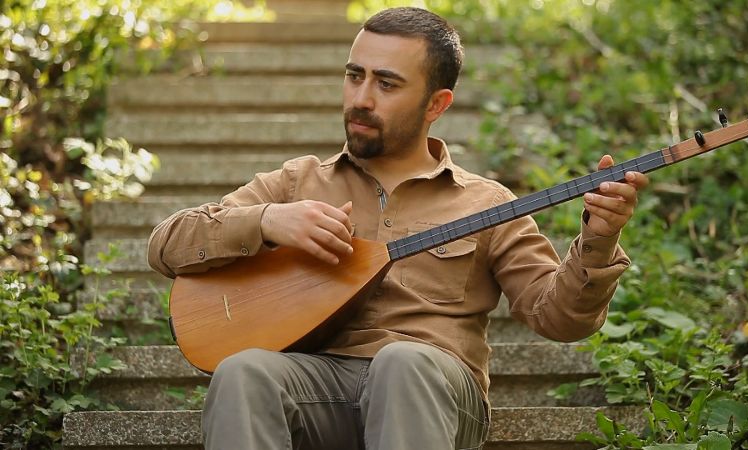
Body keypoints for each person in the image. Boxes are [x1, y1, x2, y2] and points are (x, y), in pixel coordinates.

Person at [147, 7, 649, 450]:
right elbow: (166, 246)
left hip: (433, 389)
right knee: (242, 372)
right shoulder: (298, 182)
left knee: (402, 364)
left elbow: (559, 319)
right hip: (318, 384)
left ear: (437, 104)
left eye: (386, 84)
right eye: (354, 76)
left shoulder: (487, 203)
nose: (361, 98)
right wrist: (266, 220)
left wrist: (599, 240)